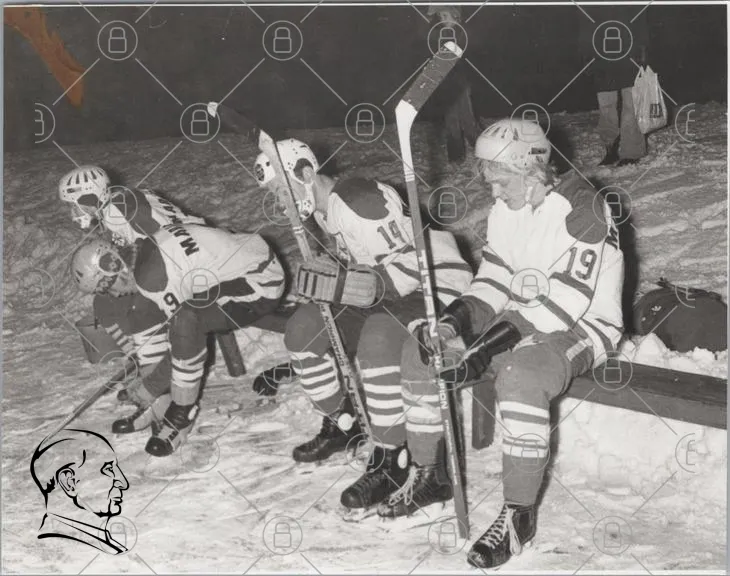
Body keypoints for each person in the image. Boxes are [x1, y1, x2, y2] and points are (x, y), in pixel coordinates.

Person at [386, 118, 624, 568]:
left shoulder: (582, 207)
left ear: (532, 169)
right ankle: (429, 477)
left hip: (584, 326)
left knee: (520, 374)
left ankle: (519, 516)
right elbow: (495, 279)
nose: (493, 192)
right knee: (421, 351)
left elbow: (561, 305)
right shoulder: (508, 208)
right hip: (521, 319)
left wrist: (482, 351)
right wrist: (454, 322)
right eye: (489, 181)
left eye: (502, 181)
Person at [253, 139, 473, 518]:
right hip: (388, 289)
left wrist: (343, 284)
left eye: (282, 191)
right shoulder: (324, 209)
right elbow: (366, 270)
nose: (281, 204)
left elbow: (406, 267)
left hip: (433, 283)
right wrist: (333, 276)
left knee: (378, 336)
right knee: (304, 327)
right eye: (275, 195)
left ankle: (391, 457)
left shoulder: (358, 201)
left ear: (306, 174)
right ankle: (343, 423)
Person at [70, 222, 285, 456]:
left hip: (260, 281)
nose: (114, 294)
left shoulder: (154, 277)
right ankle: (160, 401)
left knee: (186, 322)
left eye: (106, 288)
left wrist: (150, 386)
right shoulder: (142, 252)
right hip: (241, 264)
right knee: (143, 309)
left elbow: (183, 341)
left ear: (115, 272)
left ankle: (182, 413)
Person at [30, 429, 130, 554]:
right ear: (68, 482)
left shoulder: (103, 545)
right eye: (108, 469)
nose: (123, 483)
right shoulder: (60, 551)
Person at [58, 164, 206, 246]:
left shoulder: (119, 214)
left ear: (90, 200)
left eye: (74, 207)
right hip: (199, 237)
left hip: (201, 246)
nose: (73, 214)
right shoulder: (119, 201)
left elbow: (169, 247)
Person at [580, 6, 651, 166]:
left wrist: (643, 48)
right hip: (601, 57)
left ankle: (631, 152)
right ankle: (610, 148)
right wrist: (586, 54)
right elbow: (585, 22)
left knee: (631, 104)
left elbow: (640, 17)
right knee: (606, 106)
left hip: (629, 54)